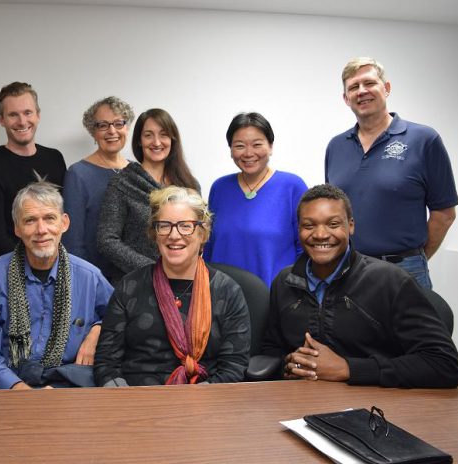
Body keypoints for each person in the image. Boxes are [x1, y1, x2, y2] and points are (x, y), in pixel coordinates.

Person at [261, 184, 458, 388]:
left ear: (351, 225)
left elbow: (444, 364)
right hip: (300, 403)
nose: (320, 234)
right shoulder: (285, 281)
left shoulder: (390, 281)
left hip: (375, 406)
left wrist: (347, 368)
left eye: (333, 224)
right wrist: (288, 366)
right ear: (299, 229)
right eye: (309, 225)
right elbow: (271, 351)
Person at [94, 186, 250, 386]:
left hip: (204, 403)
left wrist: (195, 404)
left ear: (202, 233)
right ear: (154, 233)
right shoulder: (129, 287)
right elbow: (107, 362)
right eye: (165, 225)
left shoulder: (227, 291)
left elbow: (234, 367)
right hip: (138, 400)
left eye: (185, 226)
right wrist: (125, 398)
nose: (174, 235)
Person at [0, 182, 113, 389]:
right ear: (17, 228)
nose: (41, 230)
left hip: (71, 389)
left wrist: (98, 330)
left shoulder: (90, 277)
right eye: (30, 220)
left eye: (49, 218)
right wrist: (21, 390)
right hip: (10, 389)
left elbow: (118, 318)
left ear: (64, 223)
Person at [325, 57, 458, 289]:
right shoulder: (336, 146)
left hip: (405, 269)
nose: (362, 91)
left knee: (411, 327)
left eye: (369, 83)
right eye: (354, 87)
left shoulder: (424, 140)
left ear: (386, 88)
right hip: (349, 270)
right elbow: (335, 211)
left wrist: (416, 258)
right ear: (346, 99)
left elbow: (445, 213)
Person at [204, 112, 307, 287]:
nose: (248, 153)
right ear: (230, 149)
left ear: (271, 146)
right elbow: (209, 247)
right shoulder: (219, 188)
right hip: (221, 297)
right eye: (240, 146)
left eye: (257, 144)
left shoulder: (292, 186)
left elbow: (305, 247)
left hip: (274, 296)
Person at [97, 108, 199, 283]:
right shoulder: (122, 183)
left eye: (164, 134)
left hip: (182, 282)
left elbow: (197, 235)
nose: (157, 142)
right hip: (136, 285)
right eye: (148, 135)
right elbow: (106, 240)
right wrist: (153, 270)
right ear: (139, 141)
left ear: (173, 140)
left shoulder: (189, 185)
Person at [0, 82, 66, 258]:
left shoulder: (55, 159)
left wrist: (53, 263)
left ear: (38, 115)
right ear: (2, 119)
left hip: (56, 264)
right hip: (13, 269)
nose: (22, 121)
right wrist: (34, 266)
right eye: (13, 115)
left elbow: (61, 218)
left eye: (27, 113)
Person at [62, 97, 134, 277]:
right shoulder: (78, 174)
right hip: (95, 279)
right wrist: (88, 281)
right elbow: (72, 241)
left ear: (127, 127)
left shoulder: (137, 171)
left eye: (118, 123)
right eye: (103, 125)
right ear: (92, 131)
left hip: (135, 280)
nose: (112, 131)